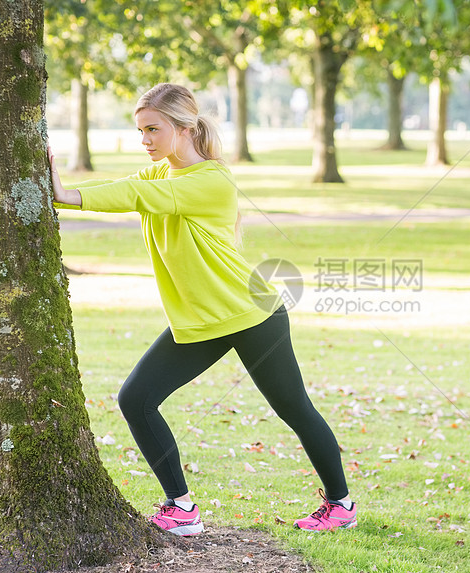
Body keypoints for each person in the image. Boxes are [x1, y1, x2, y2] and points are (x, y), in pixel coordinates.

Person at [49, 83, 356, 535]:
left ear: (184, 127)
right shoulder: (160, 175)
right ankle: (182, 507)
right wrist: (63, 192)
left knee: (294, 408)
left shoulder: (212, 180)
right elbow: (127, 187)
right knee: (136, 399)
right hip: (201, 322)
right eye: (140, 131)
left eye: (153, 129)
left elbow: (133, 198)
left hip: (253, 316)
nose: (145, 140)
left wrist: (66, 193)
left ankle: (341, 505)